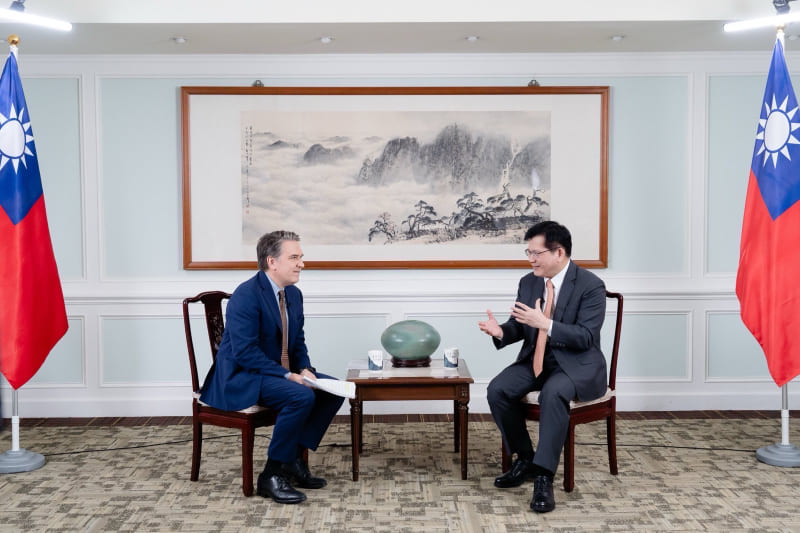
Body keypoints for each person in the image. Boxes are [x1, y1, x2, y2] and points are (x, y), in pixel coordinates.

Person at [200, 230, 344, 504]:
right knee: (301, 395)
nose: (301, 263)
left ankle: (292, 460)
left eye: (301, 257)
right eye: (294, 257)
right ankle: (271, 474)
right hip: (243, 376)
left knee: (332, 390)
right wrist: (288, 375)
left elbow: (297, 341)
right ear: (272, 262)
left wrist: (305, 369)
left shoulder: (294, 294)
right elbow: (244, 353)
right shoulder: (247, 295)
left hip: (275, 373)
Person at [478, 221, 606, 513]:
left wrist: (546, 324)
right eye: (528, 252)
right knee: (498, 389)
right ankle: (526, 460)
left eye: (536, 253)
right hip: (537, 358)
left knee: (553, 393)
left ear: (559, 252)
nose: (531, 259)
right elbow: (520, 326)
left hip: (576, 364)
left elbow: (586, 336)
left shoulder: (591, 285)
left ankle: (544, 477)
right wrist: (501, 332)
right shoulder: (528, 281)